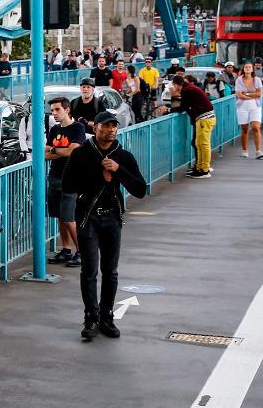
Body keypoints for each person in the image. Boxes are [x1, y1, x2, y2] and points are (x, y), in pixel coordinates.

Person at [61, 111, 146, 341]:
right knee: (89, 270)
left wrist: (118, 171)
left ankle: (106, 317)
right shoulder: (81, 154)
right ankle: (91, 316)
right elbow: (68, 185)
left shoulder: (123, 156)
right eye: (106, 126)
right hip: (88, 218)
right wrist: (99, 175)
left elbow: (140, 189)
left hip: (112, 219)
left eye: (114, 126)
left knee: (110, 271)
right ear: (95, 127)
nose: (111, 130)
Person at [46, 97, 85, 267]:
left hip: (71, 178)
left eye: (57, 110)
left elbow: (73, 152)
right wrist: (60, 150)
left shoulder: (78, 128)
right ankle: (66, 250)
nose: (54, 113)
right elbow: (46, 153)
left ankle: (83, 252)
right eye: (52, 110)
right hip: (54, 176)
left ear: (67, 110)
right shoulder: (54, 129)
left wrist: (56, 150)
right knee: (60, 217)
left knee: (69, 217)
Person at [165, 75, 216, 179]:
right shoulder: (189, 88)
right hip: (204, 118)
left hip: (204, 119)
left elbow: (182, 107)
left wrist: (168, 110)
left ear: (176, 84)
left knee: (203, 144)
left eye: (173, 86)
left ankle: (204, 170)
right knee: (199, 143)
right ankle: (199, 167)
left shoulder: (186, 90)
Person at [235, 62, 263, 159]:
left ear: (252, 69)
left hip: (255, 106)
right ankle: (245, 150)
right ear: (243, 69)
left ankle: (258, 151)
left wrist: (246, 94)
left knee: (256, 127)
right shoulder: (239, 80)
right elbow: (239, 95)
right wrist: (252, 94)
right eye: (246, 67)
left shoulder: (257, 80)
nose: (247, 68)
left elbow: (259, 94)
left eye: (249, 67)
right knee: (244, 128)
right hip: (242, 107)